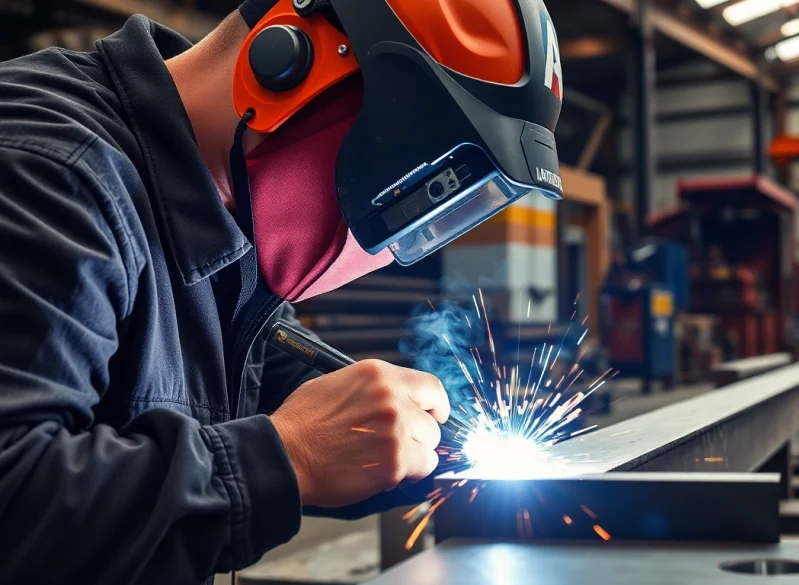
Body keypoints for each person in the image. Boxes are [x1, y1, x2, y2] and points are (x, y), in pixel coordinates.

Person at [0, 0, 563, 582]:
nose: (376, 246)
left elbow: (275, 370)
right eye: (398, 188)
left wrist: (421, 443)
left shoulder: (217, 216)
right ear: (287, 64)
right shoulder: (46, 175)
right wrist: (288, 458)